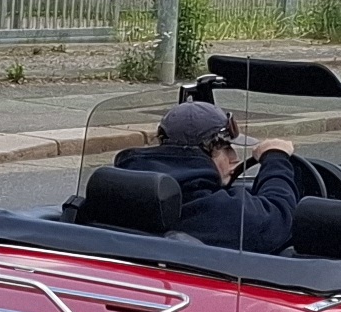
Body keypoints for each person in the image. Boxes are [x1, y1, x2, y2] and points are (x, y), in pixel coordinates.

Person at [114, 101, 298, 253]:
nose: (234, 157)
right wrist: (276, 159)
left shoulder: (120, 194)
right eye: (225, 148)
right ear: (202, 154)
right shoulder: (207, 207)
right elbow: (279, 218)